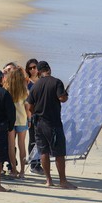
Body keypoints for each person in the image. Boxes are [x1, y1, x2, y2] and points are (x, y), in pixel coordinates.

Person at [27, 61, 77, 189]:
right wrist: (65, 94)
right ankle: (63, 181)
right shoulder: (56, 82)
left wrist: (35, 114)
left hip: (38, 123)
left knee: (43, 151)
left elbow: (29, 106)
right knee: (59, 152)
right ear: (49, 69)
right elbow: (62, 98)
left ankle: (48, 180)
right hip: (53, 122)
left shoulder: (35, 86)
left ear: (38, 71)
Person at [3, 66, 31, 179]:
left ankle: (14, 170)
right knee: (22, 145)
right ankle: (22, 171)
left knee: (11, 145)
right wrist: (29, 120)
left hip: (10, 120)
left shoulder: (6, 90)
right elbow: (27, 109)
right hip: (22, 120)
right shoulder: (25, 91)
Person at [25, 58, 44, 175]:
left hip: (43, 114)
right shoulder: (27, 82)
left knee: (41, 140)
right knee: (33, 139)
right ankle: (33, 164)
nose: (32, 70)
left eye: (34, 67)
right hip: (31, 113)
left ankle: (39, 163)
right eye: (30, 68)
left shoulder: (42, 81)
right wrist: (29, 117)